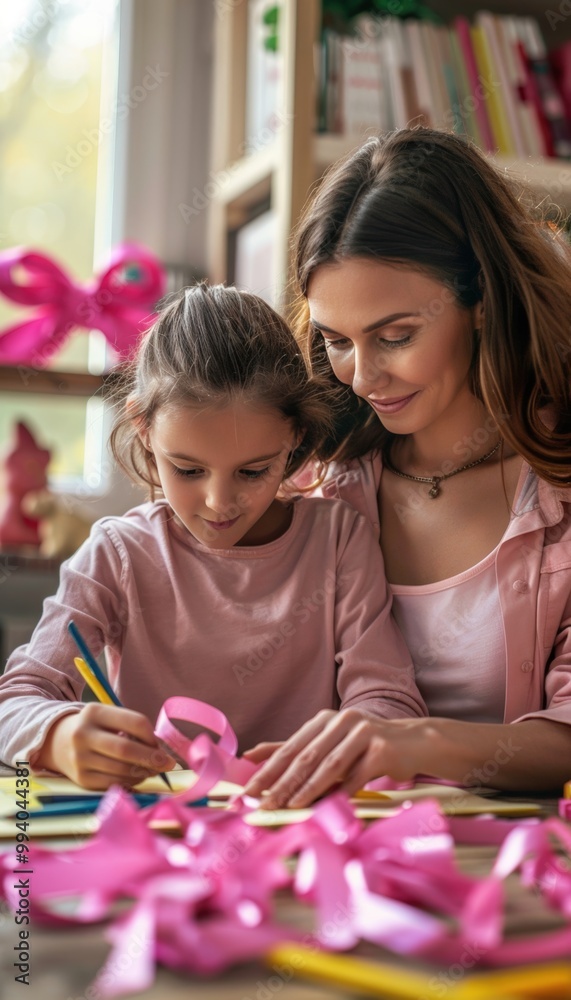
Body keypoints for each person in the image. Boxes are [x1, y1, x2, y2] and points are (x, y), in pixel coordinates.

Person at [243, 126, 571, 808]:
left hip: (516, 871)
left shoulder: (557, 496)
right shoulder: (321, 489)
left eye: (395, 337)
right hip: (338, 860)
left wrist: (411, 743)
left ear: (479, 302)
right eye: (336, 341)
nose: (363, 377)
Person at [0, 283, 426, 790]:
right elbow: (16, 701)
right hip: (159, 836)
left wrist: (362, 737)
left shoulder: (338, 541)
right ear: (142, 427)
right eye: (187, 470)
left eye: (252, 472)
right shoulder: (118, 555)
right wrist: (60, 735)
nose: (219, 504)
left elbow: (390, 701)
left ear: (294, 439)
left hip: (298, 835)